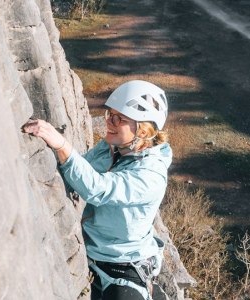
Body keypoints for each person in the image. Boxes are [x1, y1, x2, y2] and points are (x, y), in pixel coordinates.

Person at [23, 80, 172, 300]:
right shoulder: (112, 147)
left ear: (143, 130)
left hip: (123, 266)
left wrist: (61, 145)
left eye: (119, 119)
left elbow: (98, 189)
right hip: (92, 253)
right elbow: (78, 171)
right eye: (110, 114)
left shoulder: (151, 176)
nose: (109, 122)